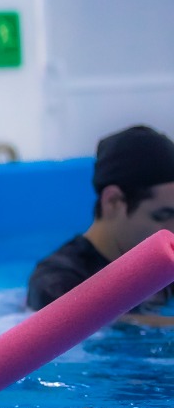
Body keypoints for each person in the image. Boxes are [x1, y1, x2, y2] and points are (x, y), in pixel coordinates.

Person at [27, 124, 174, 325]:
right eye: (162, 216)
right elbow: (75, 326)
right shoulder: (56, 280)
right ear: (113, 201)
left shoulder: (165, 264)